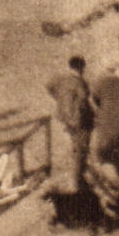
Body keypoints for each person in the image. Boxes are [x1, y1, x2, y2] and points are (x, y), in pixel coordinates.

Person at [47, 56, 95, 194]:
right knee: (79, 151)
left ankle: (75, 179)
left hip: (64, 119)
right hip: (77, 121)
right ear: (81, 68)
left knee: (72, 149)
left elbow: (49, 87)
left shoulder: (61, 79)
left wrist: (60, 101)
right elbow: (82, 102)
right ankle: (77, 183)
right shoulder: (80, 83)